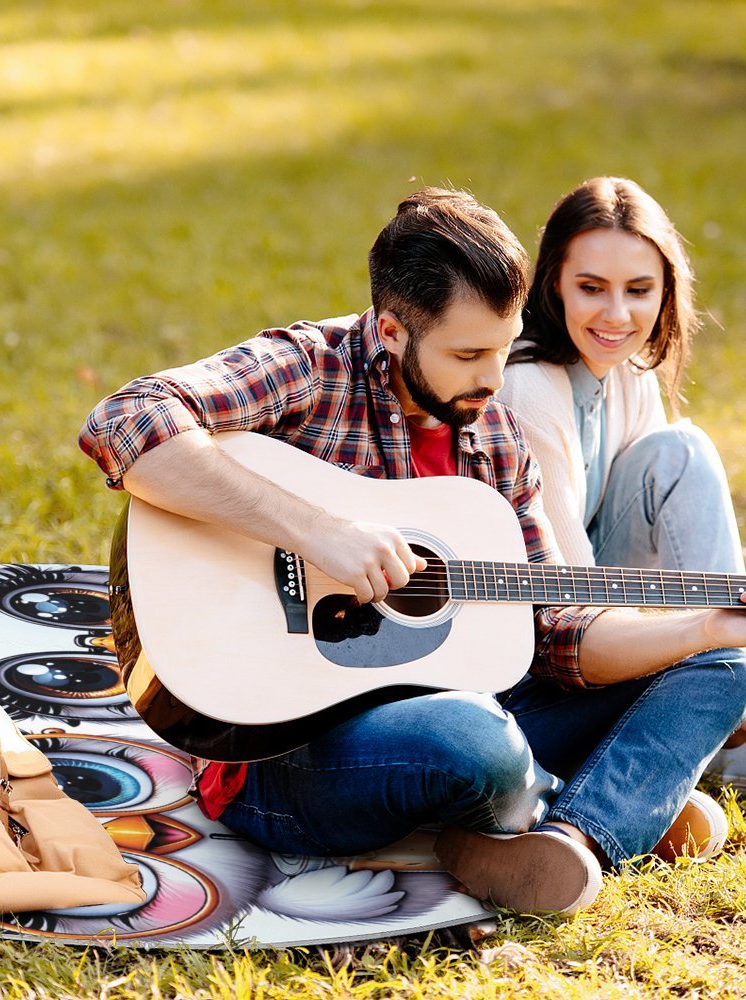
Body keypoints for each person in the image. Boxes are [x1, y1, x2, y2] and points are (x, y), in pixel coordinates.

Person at [79, 188, 746, 916]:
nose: (494, 380)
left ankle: (576, 836)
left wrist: (702, 628)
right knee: (475, 742)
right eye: (467, 354)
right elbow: (126, 419)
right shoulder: (310, 367)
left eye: (503, 346)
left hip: (473, 708)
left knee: (726, 663)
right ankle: (601, 796)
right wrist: (314, 530)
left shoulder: (493, 435)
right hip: (282, 754)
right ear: (392, 331)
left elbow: (556, 629)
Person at [499, 176, 746, 819]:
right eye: (591, 288)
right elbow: (568, 605)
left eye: (639, 290)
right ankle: (719, 704)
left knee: (679, 451)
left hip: (607, 614)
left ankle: (720, 695)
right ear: (553, 282)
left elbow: (661, 560)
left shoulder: (629, 375)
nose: (617, 316)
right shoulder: (529, 387)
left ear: (665, 291)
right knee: (682, 452)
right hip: (540, 649)